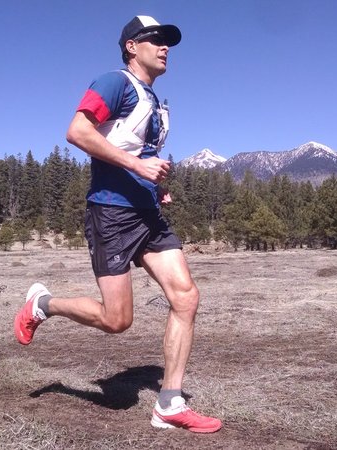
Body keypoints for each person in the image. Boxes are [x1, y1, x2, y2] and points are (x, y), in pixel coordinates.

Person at [14, 15, 222, 434]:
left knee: (186, 297)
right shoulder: (115, 82)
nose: (165, 47)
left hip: (146, 214)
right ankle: (43, 304)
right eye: (156, 40)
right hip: (111, 213)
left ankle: (169, 403)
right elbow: (77, 131)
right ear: (131, 46)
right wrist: (137, 168)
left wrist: (155, 186)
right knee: (117, 320)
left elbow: (136, 148)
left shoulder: (154, 102)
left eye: (168, 42)